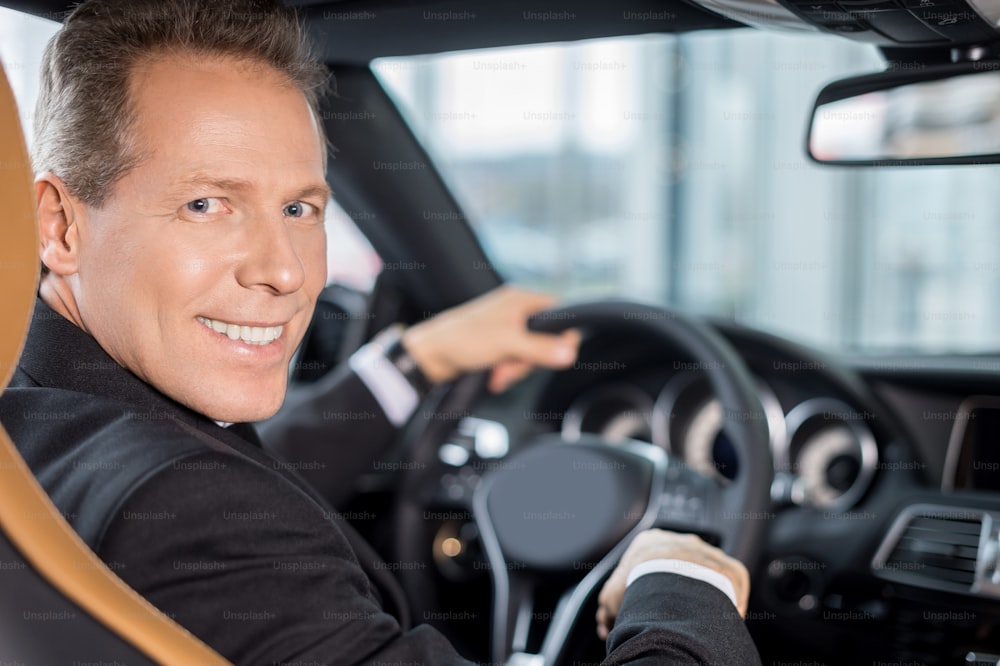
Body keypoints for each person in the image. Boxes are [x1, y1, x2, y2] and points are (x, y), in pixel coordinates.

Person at [0, 0, 761, 663]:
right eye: (208, 204)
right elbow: (209, 502)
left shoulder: (42, 419)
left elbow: (210, 469)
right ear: (60, 225)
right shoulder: (200, 515)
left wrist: (420, 358)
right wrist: (680, 583)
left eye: (300, 209)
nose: (286, 273)